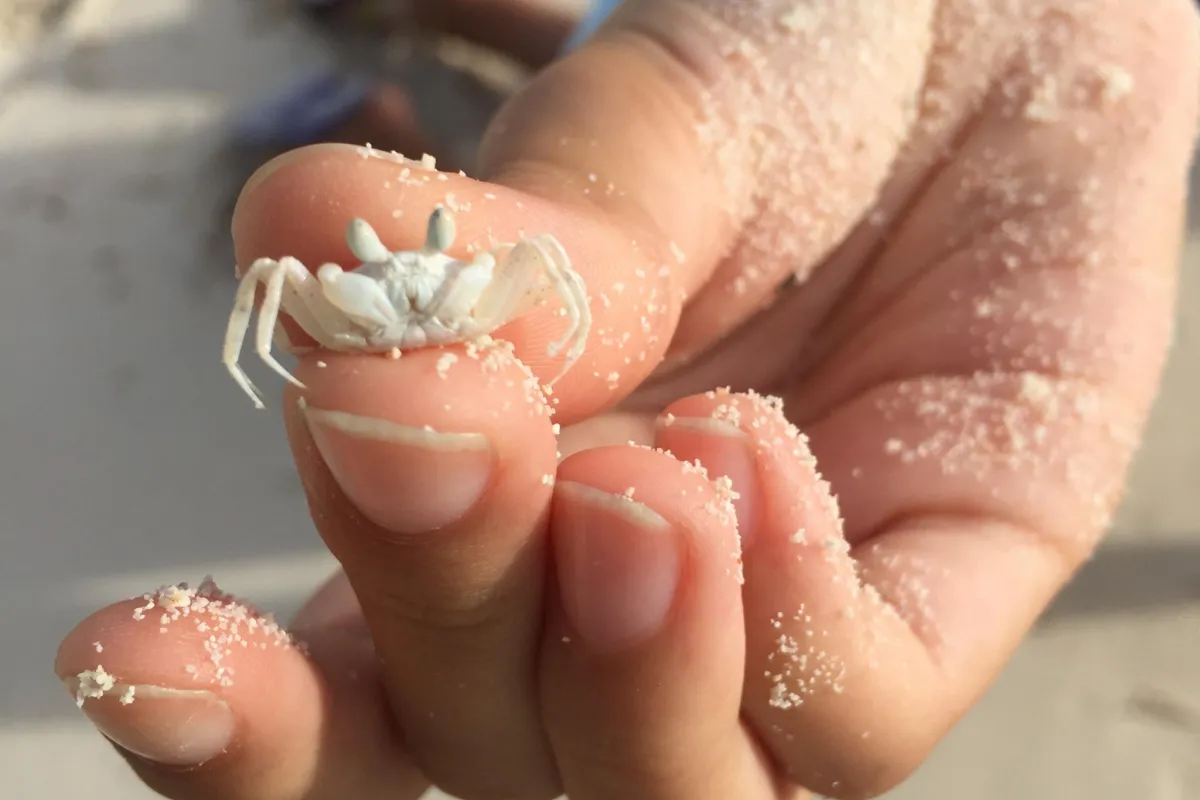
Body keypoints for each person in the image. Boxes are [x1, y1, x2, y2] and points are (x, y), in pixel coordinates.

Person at [54, 1, 1200, 799]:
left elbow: (543, 272)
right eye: (378, 263)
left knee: (520, 178)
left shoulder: (491, 277)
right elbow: (296, 283)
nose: (404, 274)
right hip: (645, 194)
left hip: (567, 324)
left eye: (429, 261)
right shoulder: (356, 280)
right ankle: (395, 82)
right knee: (470, 176)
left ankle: (402, 72)